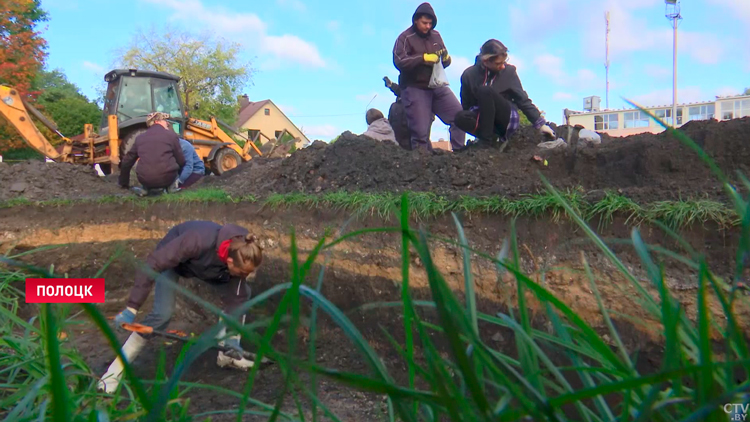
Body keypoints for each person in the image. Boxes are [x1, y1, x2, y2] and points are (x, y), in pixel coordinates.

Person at [98, 221, 263, 393]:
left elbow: (236, 298)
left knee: (242, 293)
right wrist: (131, 308)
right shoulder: (197, 240)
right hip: (174, 264)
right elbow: (152, 265)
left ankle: (228, 356)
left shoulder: (242, 251)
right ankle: (111, 375)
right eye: (244, 273)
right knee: (162, 314)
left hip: (209, 269)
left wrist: (231, 341)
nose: (248, 276)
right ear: (230, 261)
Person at [455, 39, 557, 151]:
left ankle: (486, 143)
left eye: (504, 62)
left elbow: (522, 99)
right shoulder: (468, 75)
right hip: (484, 119)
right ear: (486, 61)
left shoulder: (509, 72)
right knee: (460, 117)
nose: (503, 66)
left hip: (505, 118)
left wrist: (540, 124)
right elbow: (466, 105)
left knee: (485, 91)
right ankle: (492, 139)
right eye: (498, 63)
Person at [392, 2, 465, 152]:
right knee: (420, 132)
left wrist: (446, 59)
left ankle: (460, 155)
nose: (428, 27)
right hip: (415, 88)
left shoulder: (436, 36)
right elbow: (399, 61)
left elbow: (444, 61)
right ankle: (422, 167)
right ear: (416, 20)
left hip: (437, 85)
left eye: (430, 23)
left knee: (460, 117)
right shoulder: (405, 38)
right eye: (425, 23)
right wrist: (422, 58)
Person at [118, 112, 185, 194]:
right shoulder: (171, 135)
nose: (167, 123)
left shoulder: (140, 138)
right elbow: (181, 160)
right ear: (157, 121)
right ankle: (171, 188)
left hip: (145, 180)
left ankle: (145, 189)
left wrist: (124, 183)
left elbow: (127, 161)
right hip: (167, 179)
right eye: (164, 120)